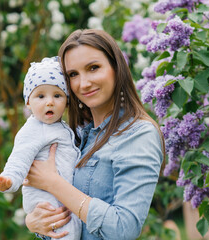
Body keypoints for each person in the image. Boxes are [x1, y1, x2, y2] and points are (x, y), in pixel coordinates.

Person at [24, 29, 165, 240]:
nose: (84, 83)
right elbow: (60, 213)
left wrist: (53, 183)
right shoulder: (76, 137)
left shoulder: (138, 134)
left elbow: (124, 229)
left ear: (116, 69)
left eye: (93, 68)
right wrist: (34, 222)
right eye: (73, 74)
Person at [0, 57, 81, 240]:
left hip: (60, 195)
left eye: (57, 96)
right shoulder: (32, 130)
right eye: (40, 96)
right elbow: (19, 159)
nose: (49, 102)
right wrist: (9, 180)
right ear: (28, 102)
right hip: (46, 201)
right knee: (66, 233)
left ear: (66, 101)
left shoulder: (60, 127)